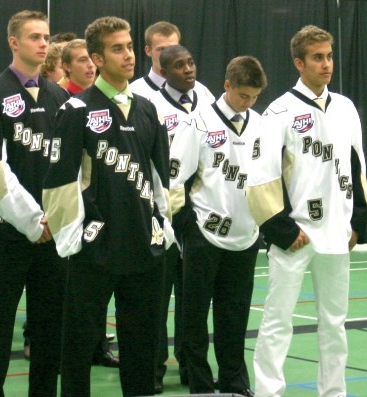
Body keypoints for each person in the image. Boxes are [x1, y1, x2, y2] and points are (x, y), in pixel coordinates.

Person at [43, 15, 172, 397]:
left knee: (141, 345)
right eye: (118, 48)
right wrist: (73, 239)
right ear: (97, 59)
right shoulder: (76, 110)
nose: (129, 55)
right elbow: (59, 182)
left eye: (130, 46)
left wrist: (162, 229)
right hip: (93, 250)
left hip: (143, 248)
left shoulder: (148, 109)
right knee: (79, 343)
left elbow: (160, 178)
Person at [247, 25, 367, 397]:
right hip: (295, 235)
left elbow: (357, 165)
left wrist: (357, 221)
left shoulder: (345, 107)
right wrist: (280, 230)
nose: (326, 64)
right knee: (278, 320)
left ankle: (333, 391)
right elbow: (259, 177)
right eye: (317, 57)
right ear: (299, 63)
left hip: (337, 233)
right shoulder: (279, 111)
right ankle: (269, 391)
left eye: (329, 56)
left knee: (334, 322)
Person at [0, 10, 68, 396]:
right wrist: (31, 220)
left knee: (49, 331)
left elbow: (69, 169)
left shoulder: (59, 96)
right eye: (34, 37)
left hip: (54, 235)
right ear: (13, 42)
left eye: (46, 37)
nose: (43, 44)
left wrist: (57, 219)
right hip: (5, 233)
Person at [170, 55, 266, 397]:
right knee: (194, 317)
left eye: (254, 97)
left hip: (246, 235)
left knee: (234, 315)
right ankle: (199, 384)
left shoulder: (260, 124)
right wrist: (185, 226)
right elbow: (174, 178)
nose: (248, 103)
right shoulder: (198, 123)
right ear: (227, 85)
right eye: (243, 95)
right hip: (205, 233)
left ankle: (234, 382)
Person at [146, 44, 215, 393]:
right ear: (163, 69)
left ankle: (192, 365)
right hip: (164, 211)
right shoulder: (152, 105)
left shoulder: (206, 96)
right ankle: (153, 369)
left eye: (190, 62)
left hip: (200, 214)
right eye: (178, 65)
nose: (188, 69)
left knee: (194, 299)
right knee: (159, 297)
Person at [55, 37, 121, 369]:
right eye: (80, 60)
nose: (88, 66)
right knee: (73, 300)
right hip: (80, 217)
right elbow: (62, 175)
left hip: (112, 219)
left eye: (88, 60)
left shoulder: (115, 103)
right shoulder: (67, 102)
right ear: (66, 65)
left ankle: (100, 345)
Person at [129, 21, 180, 99]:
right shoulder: (133, 93)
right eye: (162, 49)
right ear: (148, 50)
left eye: (173, 48)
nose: (168, 54)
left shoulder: (198, 91)